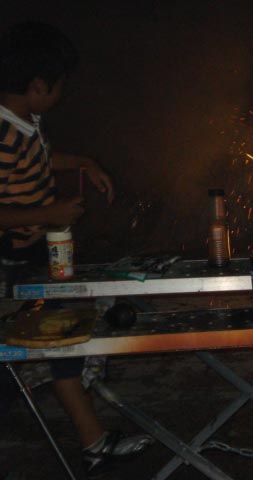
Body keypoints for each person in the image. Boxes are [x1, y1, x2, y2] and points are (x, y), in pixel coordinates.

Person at [0, 22, 152, 474]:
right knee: (13, 362)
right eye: (60, 85)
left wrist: (84, 163)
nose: (62, 93)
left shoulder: (26, 123)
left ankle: (94, 442)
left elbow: (40, 159)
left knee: (64, 339)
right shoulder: (2, 134)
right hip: (7, 266)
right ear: (38, 85)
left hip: (35, 256)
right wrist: (48, 213)